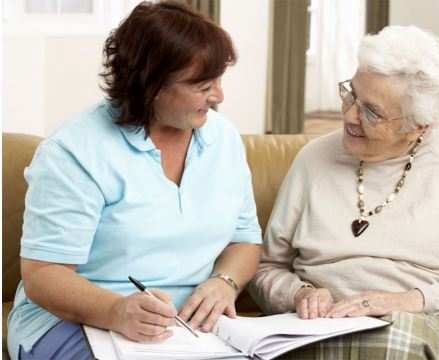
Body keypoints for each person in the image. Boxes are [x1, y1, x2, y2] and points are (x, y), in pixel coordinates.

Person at [248, 25, 439, 359]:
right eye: (351, 94)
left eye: (371, 111)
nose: (349, 115)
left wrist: (410, 301)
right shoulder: (314, 159)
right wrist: (299, 294)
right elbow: (265, 268)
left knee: (391, 349)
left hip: (428, 322)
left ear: (418, 125)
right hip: (319, 325)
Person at [8, 2, 262, 359]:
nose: (219, 96)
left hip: (190, 328)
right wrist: (116, 310)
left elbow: (245, 239)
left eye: (219, 79)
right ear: (153, 84)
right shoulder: (74, 151)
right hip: (74, 322)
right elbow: (43, 274)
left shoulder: (224, 139)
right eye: (203, 85)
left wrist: (224, 282)